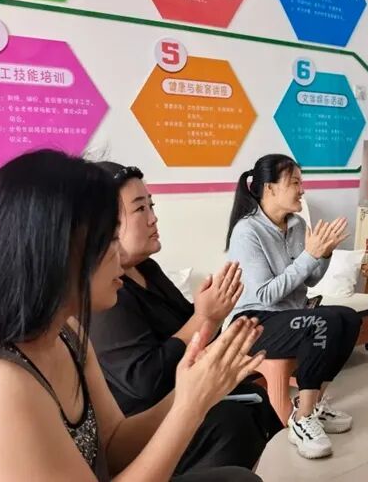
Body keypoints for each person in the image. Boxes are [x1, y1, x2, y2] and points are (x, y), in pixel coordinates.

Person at [0, 149, 265, 481]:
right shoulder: (3, 383)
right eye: (108, 237)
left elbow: (114, 445)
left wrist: (193, 388)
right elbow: (143, 383)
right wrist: (190, 407)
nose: (119, 250)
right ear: (58, 249)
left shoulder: (69, 335)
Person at [90, 163, 282, 475]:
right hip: (146, 413)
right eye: (140, 209)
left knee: (254, 397)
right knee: (232, 420)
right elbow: (144, 381)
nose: (153, 218)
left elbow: (192, 327)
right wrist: (205, 318)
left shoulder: (147, 269)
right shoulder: (105, 294)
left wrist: (214, 317)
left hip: (175, 391)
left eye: (151, 205)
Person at [226, 154, 361, 460]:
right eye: (295, 183)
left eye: (301, 182)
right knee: (323, 322)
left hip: (288, 317)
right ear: (270, 189)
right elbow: (266, 295)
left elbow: (310, 279)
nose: (302, 190)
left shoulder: (297, 224)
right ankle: (301, 420)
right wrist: (309, 256)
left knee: (349, 319)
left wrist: (323, 254)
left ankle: (311, 406)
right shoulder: (247, 231)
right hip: (252, 321)